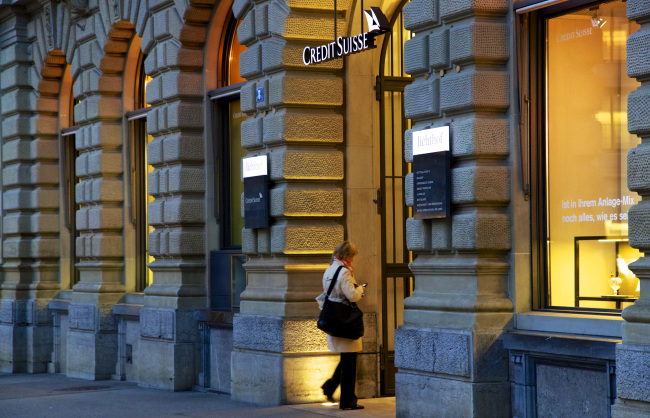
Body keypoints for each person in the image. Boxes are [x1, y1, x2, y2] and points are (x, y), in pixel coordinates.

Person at [320, 241, 366, 410]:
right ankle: (347, 400)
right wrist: (361, 288)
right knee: (350, 361)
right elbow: (352, 296)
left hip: (334, 317)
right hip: (346, 319)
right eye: (353, 255)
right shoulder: (344, 272)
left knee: (347, 358)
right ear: (347, 255)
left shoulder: (330, 269)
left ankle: (330, 386)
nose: (354, 259)